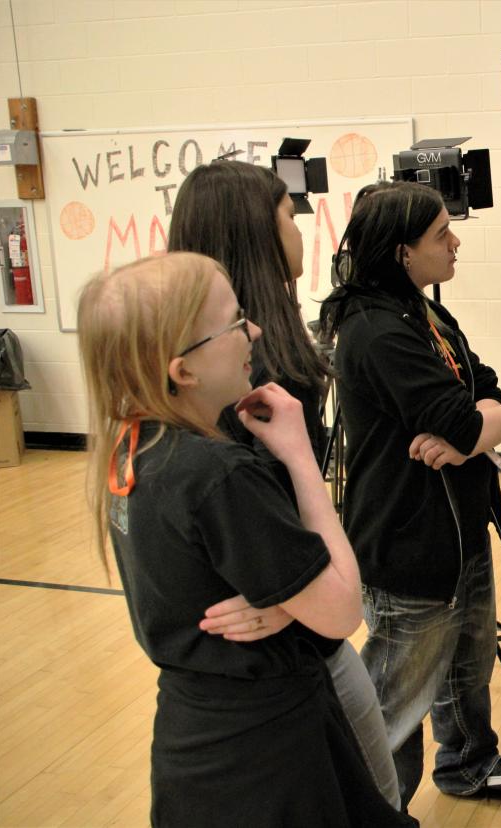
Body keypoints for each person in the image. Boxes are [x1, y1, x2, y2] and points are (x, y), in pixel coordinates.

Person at [77, 252, 412, 827]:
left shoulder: (135, 452)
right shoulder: (216, 474)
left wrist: (281, 599)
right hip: (268, 751)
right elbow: (339, 610)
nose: (254, 331)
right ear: (183, 370)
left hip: (194, 740)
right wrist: (301, 457)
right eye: (235, 323)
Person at [167, 160, 400, 809]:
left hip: (301, 622)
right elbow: (236, 516)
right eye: (290, 217)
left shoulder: (266, 348)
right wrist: (285, 595)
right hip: (289, 648)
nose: (302, 232)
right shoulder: (237, 381)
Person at [318, 182, 501, 807]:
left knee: (467, 665)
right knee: (396, 700)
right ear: (402, 252)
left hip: (459, 529)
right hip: (409, 540)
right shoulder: (375, 330)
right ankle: (378, 810)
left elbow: (482, 389)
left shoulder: (422, 311)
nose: (456, 241)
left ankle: (470, 762)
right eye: (442, 233)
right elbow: (470, 420)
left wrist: (491, 420)